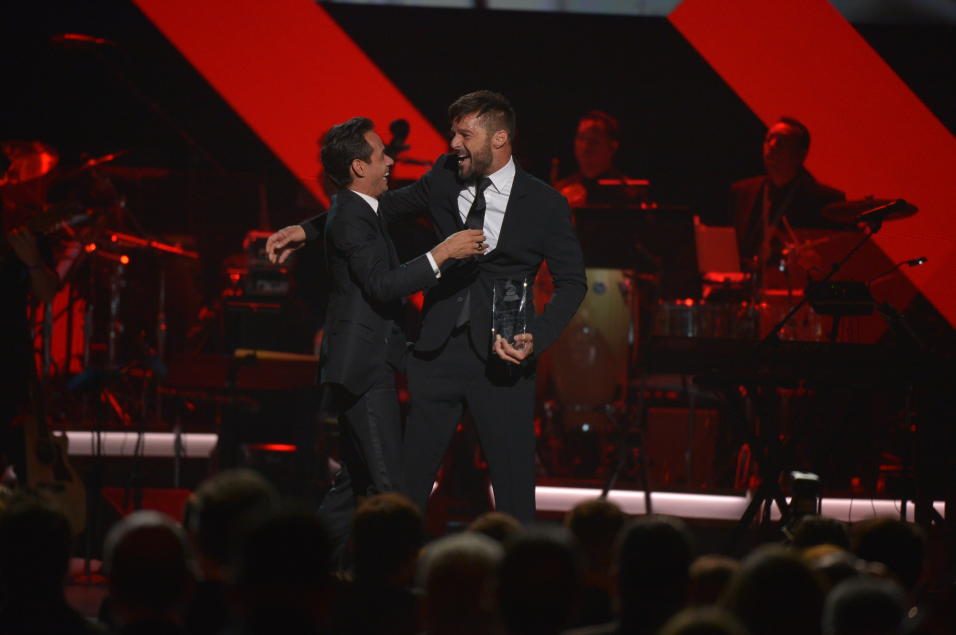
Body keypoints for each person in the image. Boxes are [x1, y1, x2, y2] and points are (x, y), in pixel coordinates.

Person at [269, 91, 587, 525]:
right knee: (406, 489)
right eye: (451, 132)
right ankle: (391, 579)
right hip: (437, 356)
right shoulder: (442, 177)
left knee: (514, 495)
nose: (452, 143)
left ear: (499, 139)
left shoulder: (546, 203)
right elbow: (374, 209)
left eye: (463, 134)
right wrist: (306, 232)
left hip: (504, 358)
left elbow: (572, 283)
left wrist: (538, 337)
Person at [268, 117, 486, 557]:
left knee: (356, 484)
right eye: (382, 155)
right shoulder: (352, 217)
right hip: (363, 369)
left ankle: (299, 566)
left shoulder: (359, 208)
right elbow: (383, 285)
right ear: (358, 168)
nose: (391, 161)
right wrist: (443, 252)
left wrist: (305, 229)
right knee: (393, 491)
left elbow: (343, 216)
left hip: (371, 363)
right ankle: (393, 588)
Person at [729, 117, 845, 271]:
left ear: (801, 154)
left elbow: (832, 258)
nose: (772, 145)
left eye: (781, 141)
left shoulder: (826, 200)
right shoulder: (741, 192)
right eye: (768, 139)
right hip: (745, 283)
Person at [554, 110, 633, 207]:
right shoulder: (563, 189)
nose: (585, 147)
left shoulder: (627, 192)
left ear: (612, 147)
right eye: (581, 138)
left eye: (594, 141)